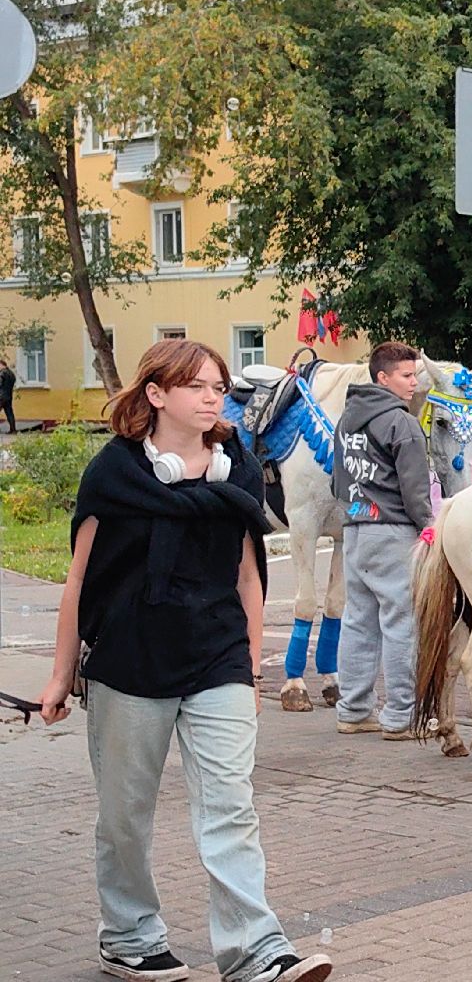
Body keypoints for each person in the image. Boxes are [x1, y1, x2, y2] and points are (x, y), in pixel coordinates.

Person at [36, 339, 333, 982]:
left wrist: (250, 669)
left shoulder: (240, 471)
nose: (212, 397)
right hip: (129, 662)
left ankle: (256, 951)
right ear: (156, 394)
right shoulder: (114, 474)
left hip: (218, 659)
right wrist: (62, 674)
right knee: (124, 815)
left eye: (218, 386)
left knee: (231, 806)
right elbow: (79, 581)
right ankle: (129, 935)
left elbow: (250, 580)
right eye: (196, 386)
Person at [332, 340, 433, 739]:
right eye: (406, 376)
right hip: (393, 531)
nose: (414, 383)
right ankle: (400, 716)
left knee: (358, 622)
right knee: (401, 623)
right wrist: (428, 525)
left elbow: (338, 478)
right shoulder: (401, 422)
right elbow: (414, 487)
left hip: (355, 528)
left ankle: (352, 711)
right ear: (382, 377)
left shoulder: (346, 420)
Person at [0, 355, 15, 432]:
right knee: (9, 412)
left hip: (1, 396)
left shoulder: (2, 373)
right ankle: (13, 429)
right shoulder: (12, 374)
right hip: (9, 396)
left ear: (1, 365)